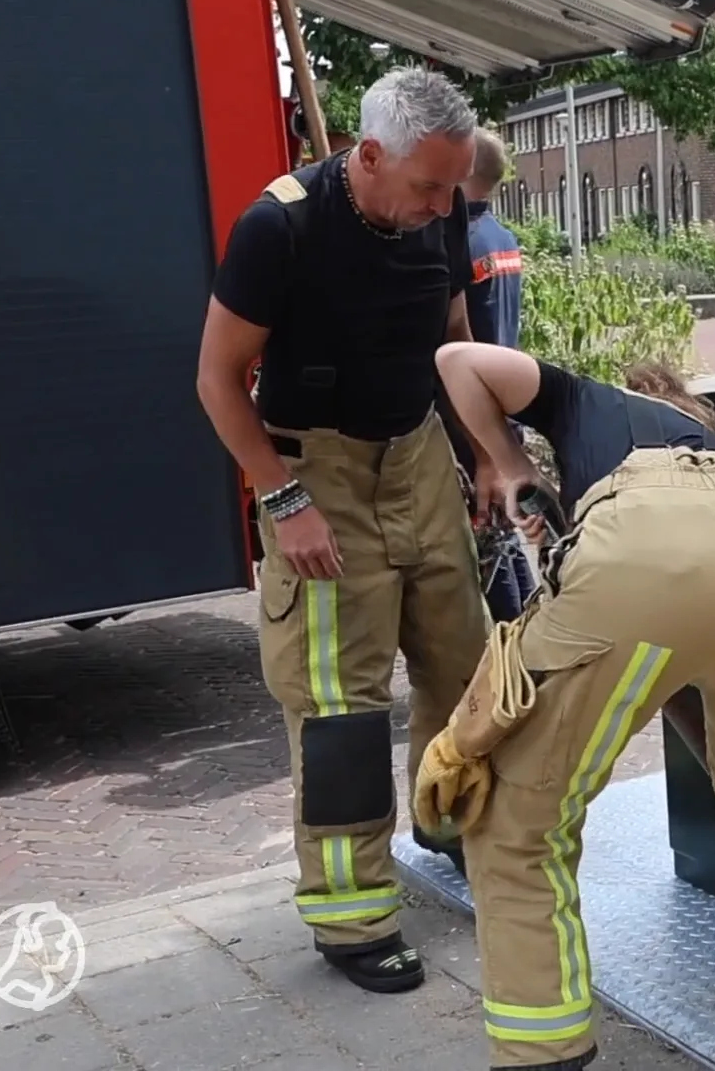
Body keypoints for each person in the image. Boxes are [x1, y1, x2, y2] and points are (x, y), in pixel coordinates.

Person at [412, 344, 715, 1071]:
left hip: (640, 571)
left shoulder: (584, 398)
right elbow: (689, 639)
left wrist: (512, 465)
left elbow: (455, 359)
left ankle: (543, 1044)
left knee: (521, 823)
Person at [194, 66, 494, 995]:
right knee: (340, 706)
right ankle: (353, 915)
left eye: (453, 189)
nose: (446, 207)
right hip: (315, 469)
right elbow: (216, 381)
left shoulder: (438, 208)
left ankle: (448, 828)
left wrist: (487, 451)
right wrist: (283, 502)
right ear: (366, 155)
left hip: (416, 457)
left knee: (467, 663)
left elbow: (456, 338)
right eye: (427, 188)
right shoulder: (276, 228)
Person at [450, 125, 536, 623]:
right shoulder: (503, 238)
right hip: (505, 406)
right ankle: (530, 629)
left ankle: (516, 650)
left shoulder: (460, 243)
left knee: (487, 538)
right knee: (502, 533)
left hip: (472, 414)